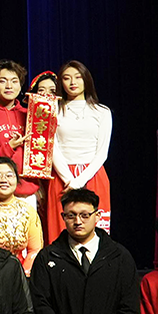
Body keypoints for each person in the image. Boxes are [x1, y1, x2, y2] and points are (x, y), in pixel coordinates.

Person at [49, 61, 113, 235]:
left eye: (78, 77)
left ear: (86, 80)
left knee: (94, 230)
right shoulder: (53, 110)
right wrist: (69, 180)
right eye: (66, 78)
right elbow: (52, 148)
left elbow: (102, 152)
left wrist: (79, 181)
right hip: (62, 177)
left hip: (93, 174)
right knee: (62, 229)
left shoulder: (102, 111)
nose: (73, 82)